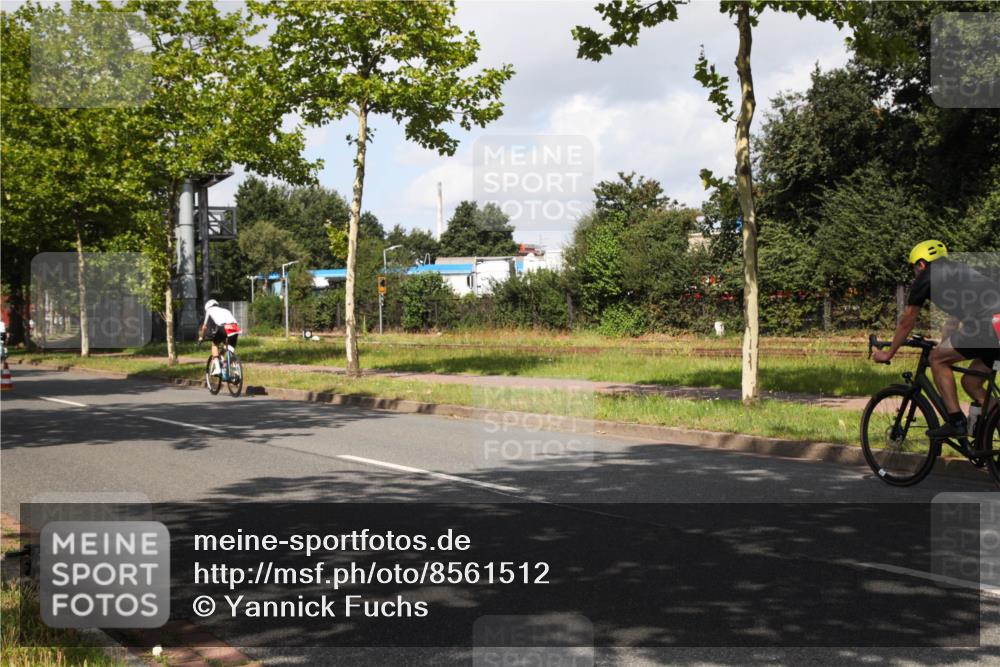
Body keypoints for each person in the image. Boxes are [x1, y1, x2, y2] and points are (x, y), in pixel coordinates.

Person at [873, 240, 1000, 438]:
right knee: (972, 383)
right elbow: (953, 320)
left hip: (987, 325)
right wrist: (945, 344)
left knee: (935, 359)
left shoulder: (926, 277)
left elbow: (907, 321)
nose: (916, 272)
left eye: (915, 267)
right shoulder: (959, 271)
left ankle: (956, 422)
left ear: (922, 264)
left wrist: (889, 353)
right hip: (995, 326)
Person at [197, 299, 241, 376]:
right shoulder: (226, 310)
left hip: (224, 328)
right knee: (229, 349)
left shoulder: (209, 310)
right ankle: (235, 371)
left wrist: (201, 337)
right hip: (235, 328)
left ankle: (217, 368)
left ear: (207, 307)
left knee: (214, 345)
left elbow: (204, 327)